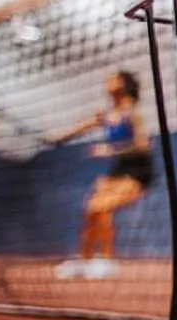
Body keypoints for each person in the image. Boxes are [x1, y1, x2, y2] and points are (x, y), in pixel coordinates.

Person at [54, 71, 153, 280]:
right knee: (90, 209)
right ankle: (84, 261)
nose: (108, 81)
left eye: (113, 78)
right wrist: (59, 139)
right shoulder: (107, 115)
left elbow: (143, 146)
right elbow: (81, 128)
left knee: (102, 207)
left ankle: (107, 261)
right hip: (117, 172)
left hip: (138, 172)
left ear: (123, 85)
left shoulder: (132, 114)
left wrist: (110, 150)